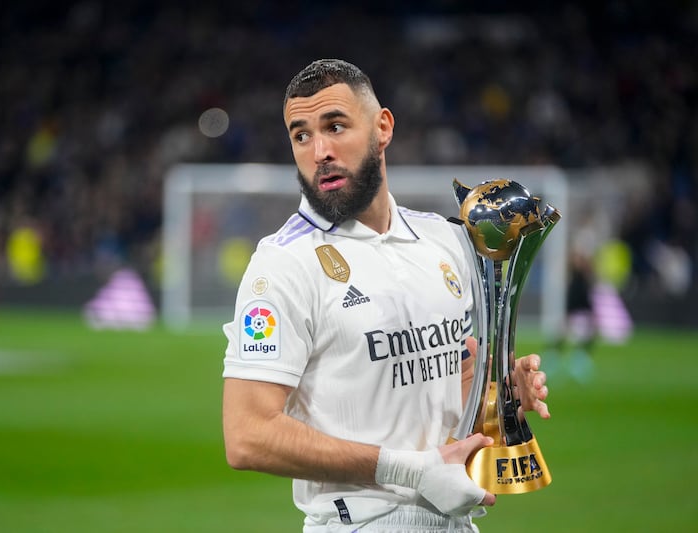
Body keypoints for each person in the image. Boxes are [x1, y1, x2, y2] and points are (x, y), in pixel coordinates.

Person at [221, 59, 550, 532]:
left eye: (335, 126)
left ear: (383, 127)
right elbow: (247, 436)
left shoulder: (446, 241)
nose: (320, 151)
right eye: (302, 135)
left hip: (456, 521)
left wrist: (499, 395)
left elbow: (451, 385)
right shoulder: (283, 265)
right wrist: (411, 470)